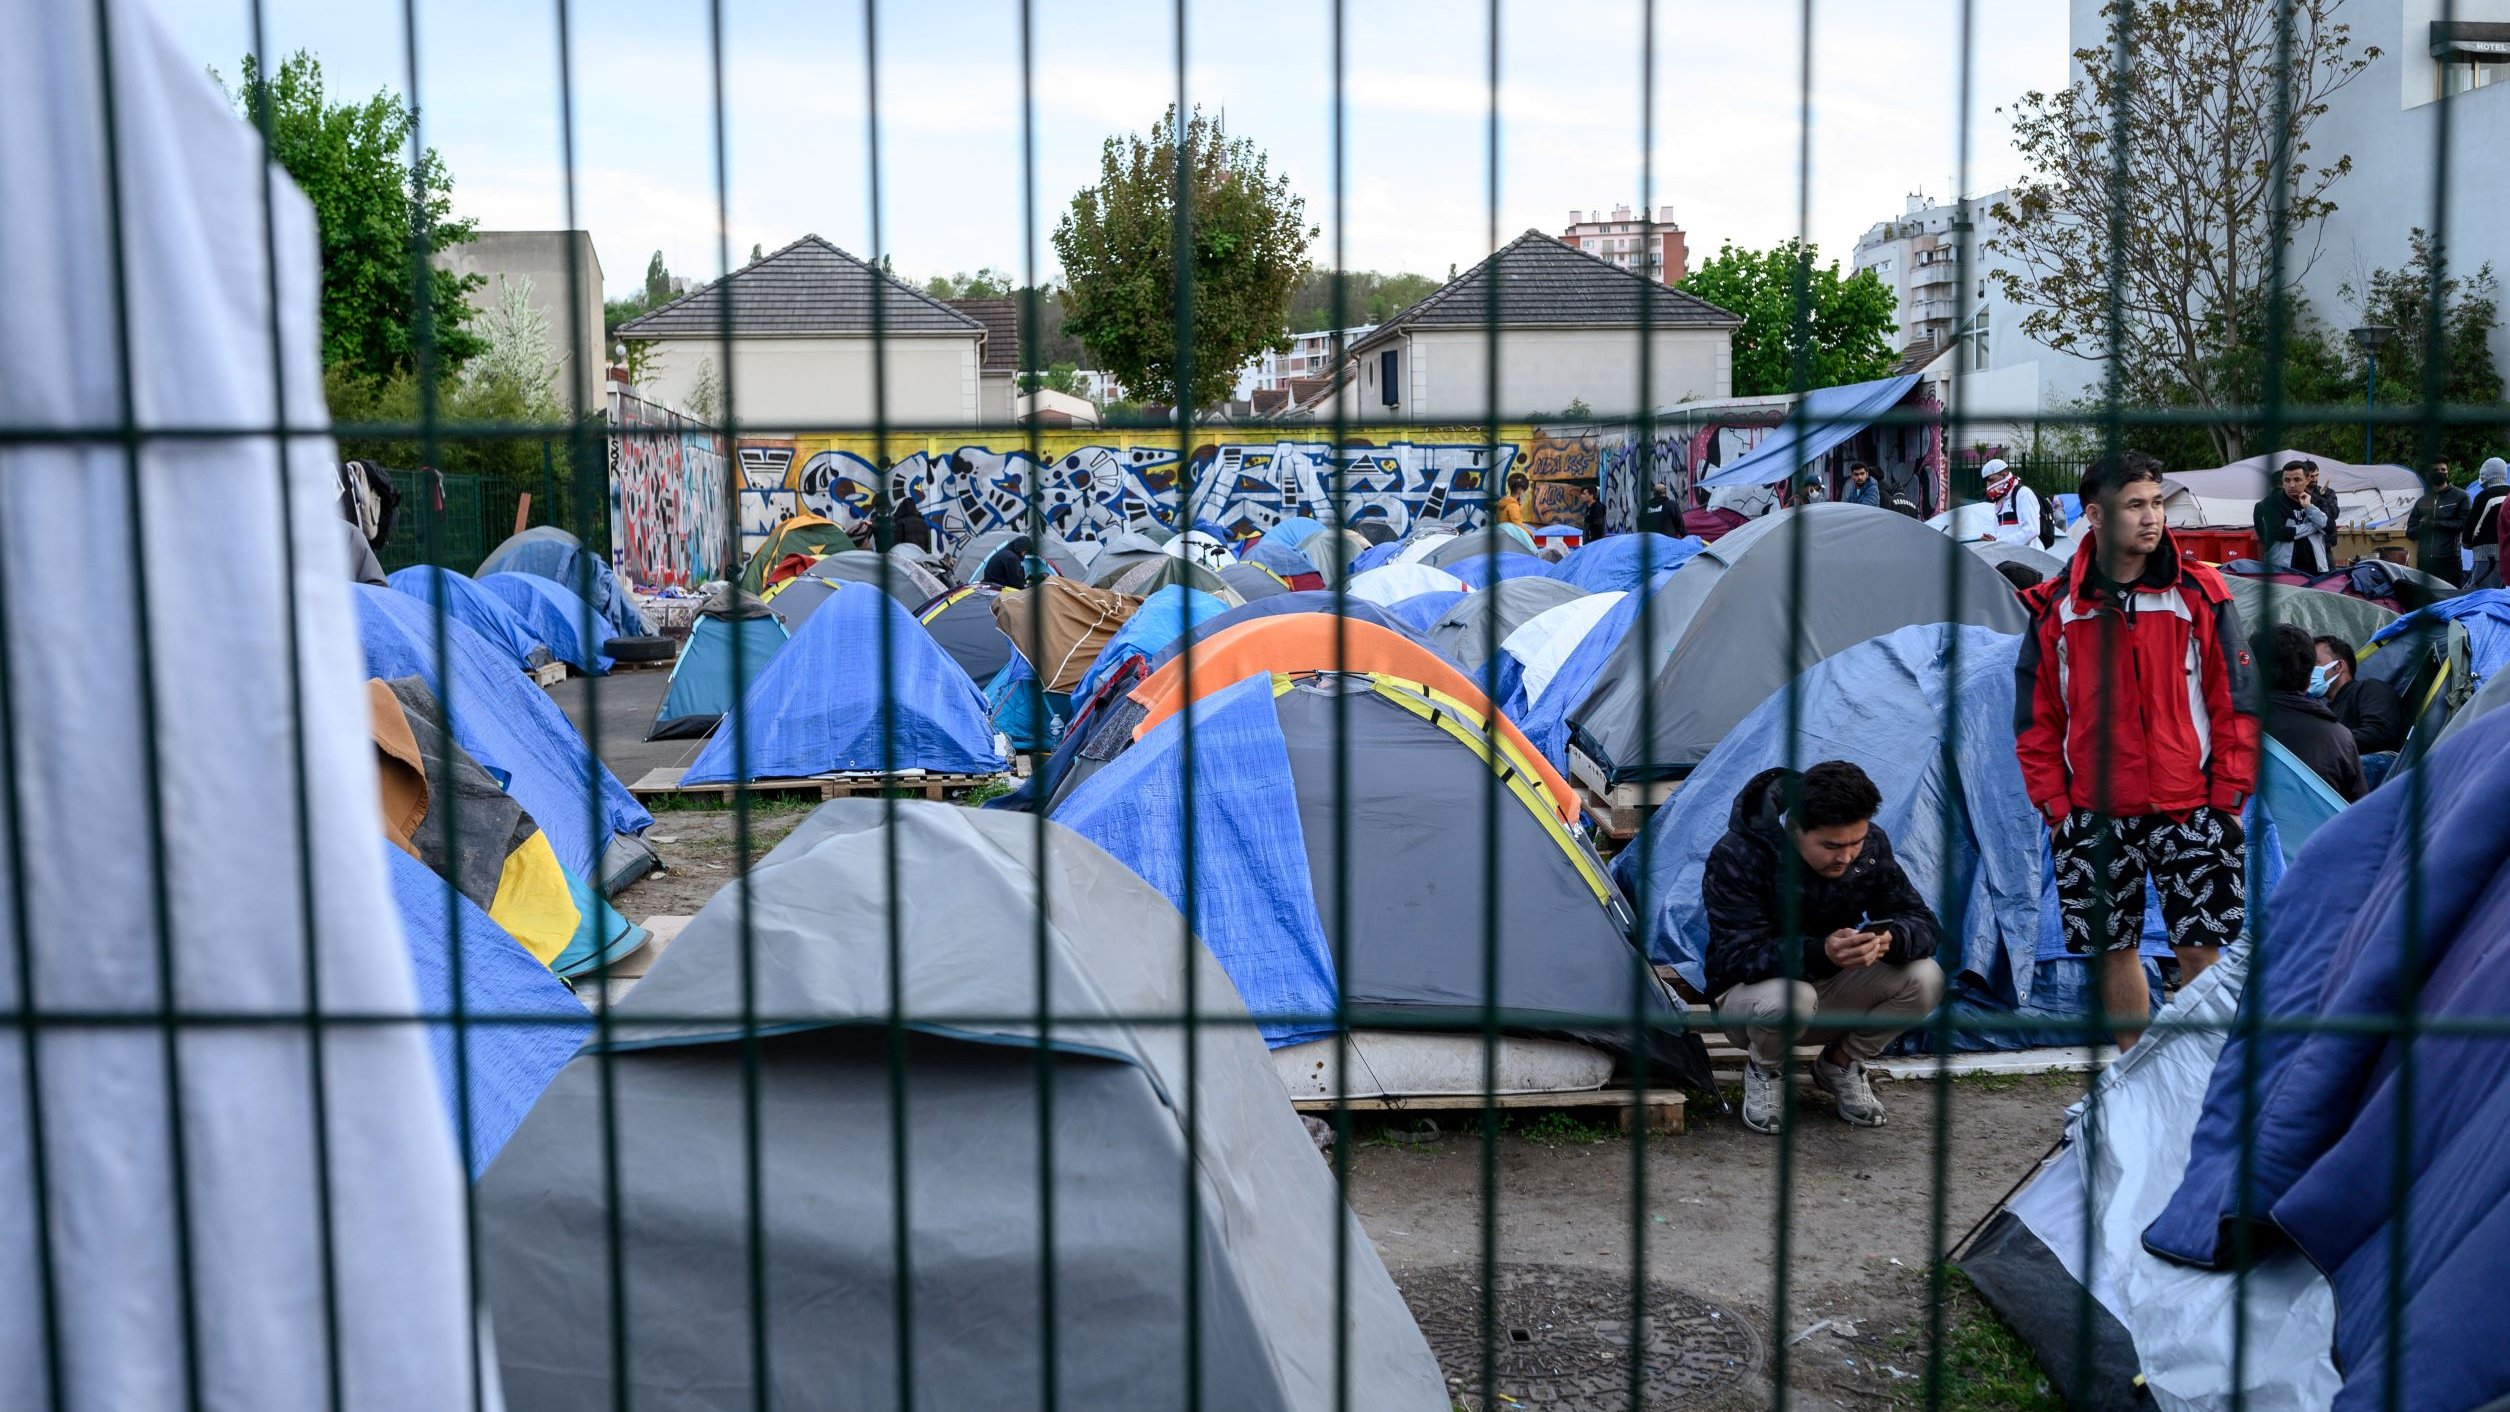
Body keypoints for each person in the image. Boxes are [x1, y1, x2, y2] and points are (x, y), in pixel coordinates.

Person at [2015, 451, 2259, 1050]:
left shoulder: (2199, 591)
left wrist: (2228, 797)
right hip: (2091, 811)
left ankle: (2209, 1078)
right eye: (2135, 506)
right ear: (2095, 515)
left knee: (2201, 948)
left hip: (2193, 803)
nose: (2152, 518)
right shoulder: (2055, 608)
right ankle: (2132, 1075)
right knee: (2111, 950)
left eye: (2157, 503)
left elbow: (2238, 699)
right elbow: (2035, 718)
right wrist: (2055, 807)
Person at [1702, 761, 1944, 1135]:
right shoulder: (1739, 854)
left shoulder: (1871, 846)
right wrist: (1820, 953)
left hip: (1831, 988)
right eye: (1831, 846)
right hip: (1751, 1000)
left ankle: (1840, 1064)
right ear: (1795, 829)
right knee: (1790, 997)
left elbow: (1922, 920)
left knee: (1926, 977)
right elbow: (1738, 956)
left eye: (1855, 843)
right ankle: (1765, 1070)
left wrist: (1889, 938)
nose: (1846, 857)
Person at [2258, 623, 2365, 800]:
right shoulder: (2341, 739)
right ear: (2308, 678)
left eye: (2318, 662)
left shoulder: (2230, 722)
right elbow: (2358, 808)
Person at [2311, 634, 2407, 786]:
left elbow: (2381, 732)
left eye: (2315, 663)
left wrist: (2327, 742)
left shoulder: (2370, 688)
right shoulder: (2325, 709)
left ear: (2339, 666)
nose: (2309, 670)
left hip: (2378, 767)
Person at [2252, 460, 2333, 574]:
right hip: (2282, 571)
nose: (2292, 485)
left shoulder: (2317, 501)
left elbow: (2330, 528)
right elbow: (2276, 533)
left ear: (2307, 480)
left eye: (2297, 480)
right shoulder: (2269, 504)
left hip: (2316, 570)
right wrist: (2313, 527)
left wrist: (2309, 508)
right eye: (2287, 480)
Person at [2406, 460, 2470, 586]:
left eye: (2443, 470)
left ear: (2448, 472)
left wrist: (2436, 524)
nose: (2440, 473)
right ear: (2428, 474)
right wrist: (2423, 526)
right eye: (2436, 470)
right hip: (2425, 561)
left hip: (2449, 559)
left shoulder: (2460, 497)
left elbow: (2464, 525)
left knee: (2451, 596)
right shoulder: (2422, 501)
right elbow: (2410, 532)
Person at [1979, 459, 2043, 549]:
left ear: (2004, 474)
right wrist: (1993, 540)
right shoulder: (2000, 501)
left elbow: (2032, 530)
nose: (1988, 486)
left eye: (1991, 480)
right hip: (2009, 557)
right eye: (1987, 482)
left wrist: (2000, 544)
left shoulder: (2023, 493)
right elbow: (2002, 533)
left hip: (2029, 558)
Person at [2465, 457, 2508, 588]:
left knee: (2481, 595)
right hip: (2507, 554)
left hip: (2486, 557)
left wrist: (2466, 543)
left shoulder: (2483, 497)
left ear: (2485, 475)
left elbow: (2472, 527)